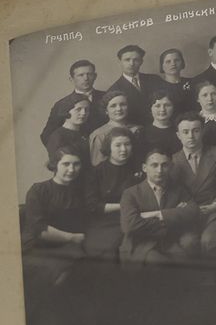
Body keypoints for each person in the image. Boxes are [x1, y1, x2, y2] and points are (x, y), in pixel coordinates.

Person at [22, 148, 93, 285]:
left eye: (76, 164)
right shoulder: (38, 190)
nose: (71, 169)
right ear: (55, 165)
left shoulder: (81, 192)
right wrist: (71, 237)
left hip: (68, 246)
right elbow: (38, 229)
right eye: (66, 164)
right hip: (38, 246)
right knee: (61, 275)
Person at [119, 148, 200, 265]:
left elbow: (194, 211)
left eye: (164, 165)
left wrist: (160, 214)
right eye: (154, 165)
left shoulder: (178, 189)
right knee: (158, 263)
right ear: (144, 168)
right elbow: (129, 226)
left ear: (171, 167)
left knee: (184, 262)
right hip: (141, 244)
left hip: (170, 242)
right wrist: (172, 216)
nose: (160, 170)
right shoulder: (130, 193)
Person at [170, 113, 216, 253]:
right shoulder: (172, 161)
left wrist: (215, 205)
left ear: (203, 131)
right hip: (188, 216)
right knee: (188, 243)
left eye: (195, 131)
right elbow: (171, 192)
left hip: (215, 213)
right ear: (178, 135)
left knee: (209, 241)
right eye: (185, 132)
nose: (191, 136)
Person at [86, 127, 144, 258]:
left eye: (127, 144)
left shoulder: (140, 169)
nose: (123, 149)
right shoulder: (96, 172)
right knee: (100, 250)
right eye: (118, 145)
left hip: (134, 218)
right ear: (109, 147)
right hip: (104, 221)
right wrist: (124, 205)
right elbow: (92, 206)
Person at [39, 59, 106, 145]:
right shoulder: (62, 104)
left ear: (95, 76)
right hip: (77, 151)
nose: (86, 78)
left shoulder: (107, 98)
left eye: (89, 74)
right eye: (80, 75)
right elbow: (46, 135)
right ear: (71, 79)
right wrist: (64, 151)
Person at [108, 44, 161, 126]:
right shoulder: (114, 90)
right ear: (120, 62)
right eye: (127, 60)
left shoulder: (155, 80)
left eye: (136, 60)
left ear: (141, 62)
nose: (131, 63)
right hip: (134, 130)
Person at [88, 90, 143, 167]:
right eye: (113, 106)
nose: (119, 109)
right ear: (106, 111)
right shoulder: (99, 135)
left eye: (122, 104)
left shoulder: (138, 130)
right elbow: (98, 165)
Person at [143, 89, 182, 158]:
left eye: (167, 105)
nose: (162, 109)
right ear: (150, 108)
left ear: (173, 107)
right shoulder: (143, 133)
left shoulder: (180, 131)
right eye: (157, 106)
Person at [158, 48, 193, 112]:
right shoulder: (158, 86)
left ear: (182, 63)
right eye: (168, 61)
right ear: (162, 66)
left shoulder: (191, 82)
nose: (173, 64)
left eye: (176, 60)